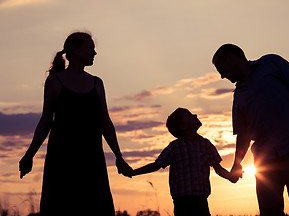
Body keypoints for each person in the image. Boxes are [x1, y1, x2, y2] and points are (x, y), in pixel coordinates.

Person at [212, 44, 289, 216]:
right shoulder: (238, 95)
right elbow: (244, 134)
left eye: (220, 68)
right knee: (269, 211)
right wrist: (236, 163)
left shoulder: (271, 63)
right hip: (265, 160)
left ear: (231, 58)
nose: (221, 75)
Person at [19, 32, 132, 216]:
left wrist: (119, 156)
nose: (94, 53)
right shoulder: (55, 81)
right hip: (61, 160)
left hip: (91, 158)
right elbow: (46, 120)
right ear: (74, 49)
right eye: (90, 48)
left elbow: (106, 122)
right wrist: (29, 155)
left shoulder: (97, 83)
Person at [130, 108, 238, 216]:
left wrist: (230, 176)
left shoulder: (206, 144)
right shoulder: (174, 147)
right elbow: (156, 165)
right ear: (183, 127)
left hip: (201, 200)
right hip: (181, 202)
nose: (195, 115)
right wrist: (133, 172)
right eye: (189, 115)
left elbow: (218, 168)